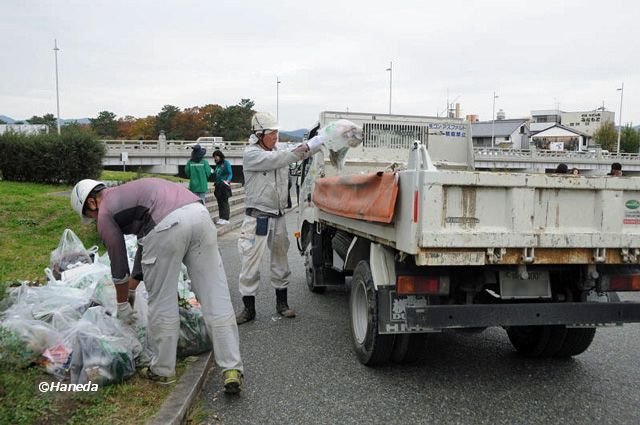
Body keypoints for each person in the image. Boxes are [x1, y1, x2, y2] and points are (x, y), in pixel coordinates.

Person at [70, 177, 244, 393]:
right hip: (199, 215)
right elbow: (146, 243)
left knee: (162, 301)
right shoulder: (131, 192)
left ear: (90, 203)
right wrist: (132, 289)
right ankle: (231, 368)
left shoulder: (105, 212)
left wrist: (122, 303)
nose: (95, 220)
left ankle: (162, 370)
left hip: (167, 228)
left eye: (90, 217)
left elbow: (118, 263)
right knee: (215, 296)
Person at [235, 112, 330, 324]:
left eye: (277, 132)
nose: (276, 136)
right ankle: (248, 308)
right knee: (250, 263)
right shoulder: (252, 154)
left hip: (277, 216)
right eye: (272, 133)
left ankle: (282, 303)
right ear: (259, 134)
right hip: (257, 217)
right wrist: (306, 146)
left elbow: (296, 153)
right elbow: (281, 158)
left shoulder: (278, 149)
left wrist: (321, 140)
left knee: (281, 261)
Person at [212, 150, 233, 225]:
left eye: (216, 156)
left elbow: (230, 173)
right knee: (219, 202)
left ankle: (226, 218)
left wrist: (228, 181)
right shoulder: (217, 164)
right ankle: (221, 217)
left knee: (224, 202)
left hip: (224, 185)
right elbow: (217, 174)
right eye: (214, 157)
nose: (216, 158)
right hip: (218, 185)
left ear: (220, 156)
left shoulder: (226, 163)